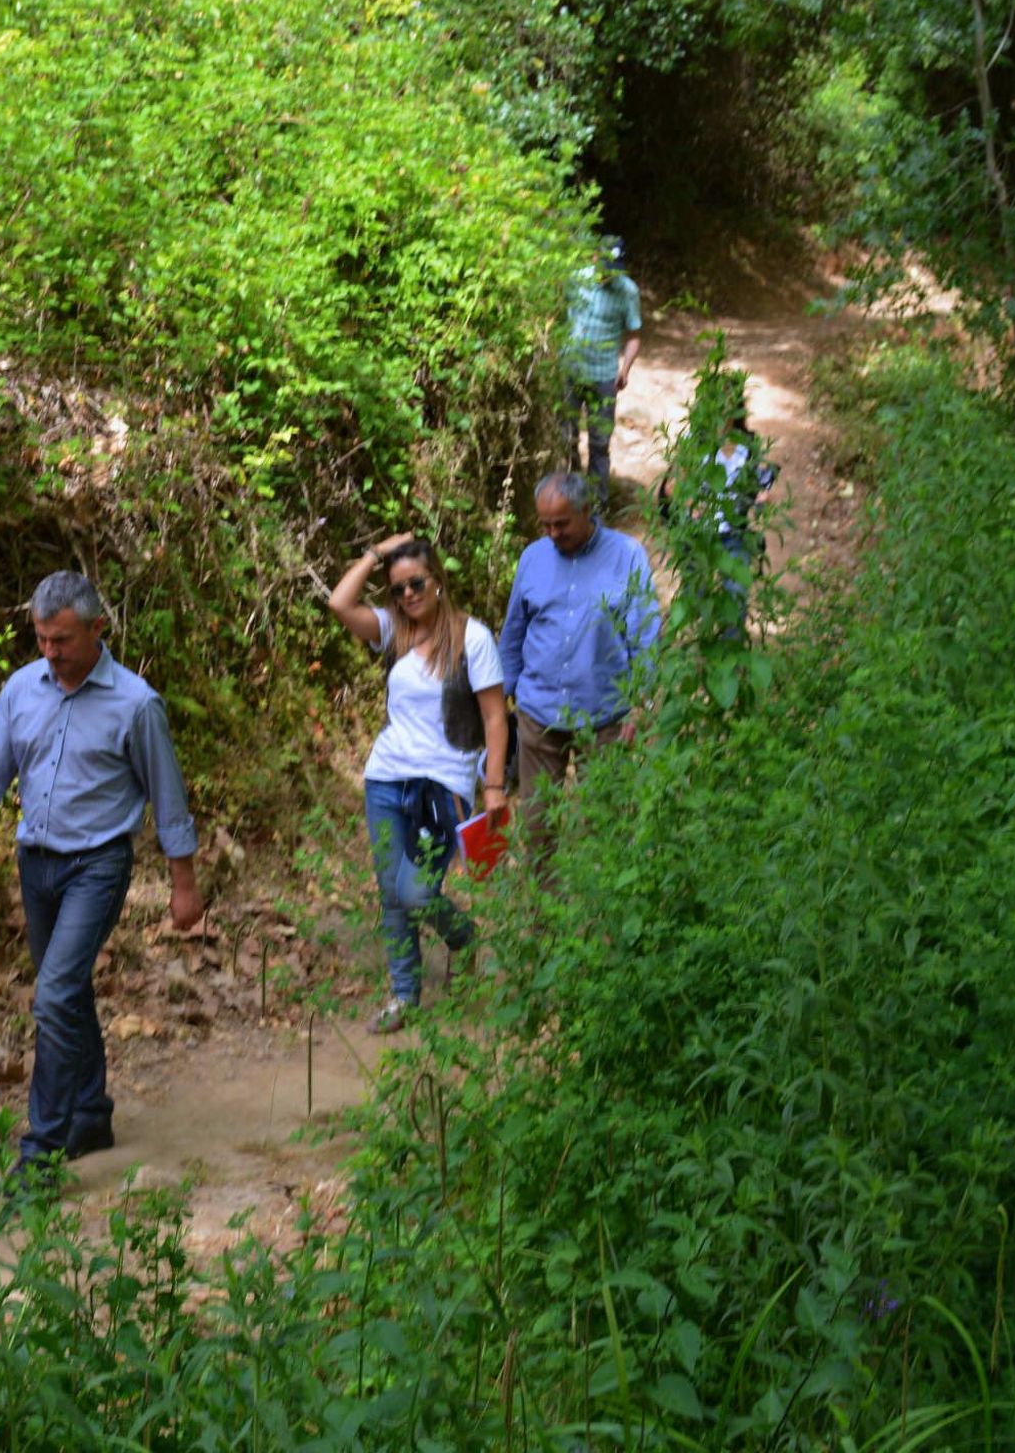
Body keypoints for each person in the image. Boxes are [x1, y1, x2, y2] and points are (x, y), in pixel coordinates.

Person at [0, 572, 203, 1180]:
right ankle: (91, 1113)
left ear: (98, 630)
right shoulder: (21, 690)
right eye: (42, 639)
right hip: (36, 863)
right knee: (66, 994)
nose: (50, 652)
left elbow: (167, 797)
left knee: (51, 997)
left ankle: (42, 1151)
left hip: (98, 864)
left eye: (63, 640)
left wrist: (184, 882)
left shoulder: (135, 703)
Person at [328, 535, 510, 1034]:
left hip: (443, 784)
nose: (407, 595)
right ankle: (404, 994)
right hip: (386, 778)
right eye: (398, 588)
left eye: (416, 584)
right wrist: (374, 554)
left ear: (438, 582)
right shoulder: (393, 630)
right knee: (391, 892)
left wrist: (493, 785)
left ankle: (464, 937)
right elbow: (339, 603)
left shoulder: (472, 638)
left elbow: (496, 717)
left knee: (416, 892)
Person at [499, 473, 661, 862]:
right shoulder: (533, 558)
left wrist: (641, 705)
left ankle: (598, 918)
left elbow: (646, 636)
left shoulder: (627, 556)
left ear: (587, 511)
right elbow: (513, 634)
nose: (552, 533)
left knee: (603, 825)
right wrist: (503, 700)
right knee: (539, 827)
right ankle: (544, 921)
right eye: (545, 524)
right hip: (538, 714)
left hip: (606, 716)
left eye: (562, 523)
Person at [658, 409, 777, 641]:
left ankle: (728, 656)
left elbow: (759, 482)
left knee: (736, 597)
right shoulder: (694, 443)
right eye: (717, 404)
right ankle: (691, 651)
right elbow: (670, 487)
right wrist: (688, 498)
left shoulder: (747, 444)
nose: (722, 412)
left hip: (734, 533)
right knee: (695, 596)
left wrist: (763, 496)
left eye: (728, 404)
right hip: (698, 535)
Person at [562, 234, 643, 500]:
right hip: (570, 372)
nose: (609, 275)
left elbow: (634, 335)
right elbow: (556, 314)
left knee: (599, 444)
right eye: (606, 266)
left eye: (614, 269)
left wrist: (625, 369)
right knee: (565, 439)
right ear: (596, 257)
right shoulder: (575, 279)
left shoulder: (627, 291)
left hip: (605, 377)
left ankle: (597, 505)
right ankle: (571, 500)